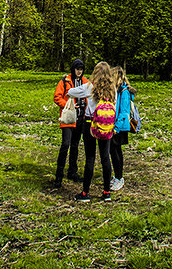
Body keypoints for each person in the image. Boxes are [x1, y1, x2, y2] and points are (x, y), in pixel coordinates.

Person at [66, 61, 116, 201]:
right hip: (106, 124)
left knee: (90, 158)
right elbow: (115, 107)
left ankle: (85, 193)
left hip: (90, 123)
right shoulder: (113, 89)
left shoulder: (90, 87)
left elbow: (71, 92)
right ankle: (106, 192)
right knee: (105, 157)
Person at [53, 58, 88, 189]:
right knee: (65, 145)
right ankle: (59, 175)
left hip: (80, 118)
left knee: (75, 146)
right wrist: (69, 105)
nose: (79, 71)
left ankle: (72, 172)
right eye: (77, 69)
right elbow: (57, 97)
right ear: (73, 69)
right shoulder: (65, 81)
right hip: (68, 117)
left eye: (81, 69)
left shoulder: (85, 82)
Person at [110, 66, 136, 191]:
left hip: (120, 126)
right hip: (118, 125)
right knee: (114, 151)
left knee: (116, 152)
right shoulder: (119, 90)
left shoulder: (123, 91)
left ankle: (119, 177)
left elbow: (123, 112)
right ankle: (117, 176)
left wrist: (116, 128)